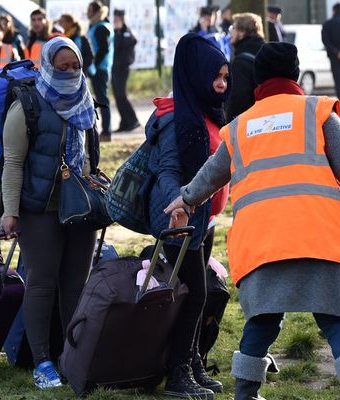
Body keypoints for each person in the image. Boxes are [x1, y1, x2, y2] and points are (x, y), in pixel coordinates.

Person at [164, 41, 340, 400]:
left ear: (257, 79)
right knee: (336, 322)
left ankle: (245, 394)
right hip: (319, 238)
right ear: (295, 73)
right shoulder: (319, 113)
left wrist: (183, 200)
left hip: (262, 243)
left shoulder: (241, 126)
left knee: (260, 323)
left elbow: (211, 175)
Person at [0, 37, 98, 389]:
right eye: (62, 66)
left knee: (76, 286)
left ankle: (71, 357)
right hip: (38, 207)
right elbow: (12, 163)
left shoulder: (86, 98)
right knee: (41, 282)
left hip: (79, 207)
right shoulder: (27, 103)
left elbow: (88, 155)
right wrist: (10, 212)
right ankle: (41, 361)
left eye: (75, 66)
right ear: (47, 64)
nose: (70, 72)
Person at [146, 33, 230, 399]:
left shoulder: (206, 110)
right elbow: (166, 171)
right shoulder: (173, 119)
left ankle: (192, 362)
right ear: (196, 74)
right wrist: (177, 210)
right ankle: (177, 373)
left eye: (226, 77)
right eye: (216, 76)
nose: (222, 84)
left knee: (199, 293)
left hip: (203, 220)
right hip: (180, 222)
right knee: (192, 295)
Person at [226, 13, 265, 121]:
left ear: (242, 32)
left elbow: (238, 100)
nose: (230, 32)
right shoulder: (266, 53)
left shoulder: (241, 62)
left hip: (249, 124)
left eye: (233, 28)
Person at [86, 1, 114, 142]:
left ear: (96, 12)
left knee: (102, 99)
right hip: (99, 68)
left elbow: (104, 48)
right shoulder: (96, 25)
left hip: (100, 69)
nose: (87, 12)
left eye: (90, 10)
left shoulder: (101, 28)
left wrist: (94, 64)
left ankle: (107, 131)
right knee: (100, 98)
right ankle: (104, 130)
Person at [111, 9, 140, 133]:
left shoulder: (126, 32)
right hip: (114, 67)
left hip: (123, 68)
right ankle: (124, 122)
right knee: (118, 96)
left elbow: (129, 43)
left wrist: (119, 31)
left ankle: (133, 120)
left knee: (121, 95)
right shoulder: (115, 32)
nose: (116, 21)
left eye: (118, 19)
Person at [322, 3, 340, 99]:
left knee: (338, 80)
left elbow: (325, 40)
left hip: (334, 57)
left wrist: (336, 52)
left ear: (333, 10)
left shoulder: (328, 24)